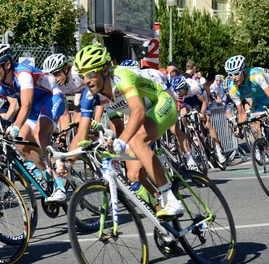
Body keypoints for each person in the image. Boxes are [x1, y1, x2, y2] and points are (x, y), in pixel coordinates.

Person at [71, 45, 185, 218]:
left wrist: (121, 141)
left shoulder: (121, 76)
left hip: (161, 103)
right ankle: (165, 223)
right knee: (133, 174)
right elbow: (81, 133)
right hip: (144, 115)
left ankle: (171, 199)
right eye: (82, 76)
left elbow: (138, 111)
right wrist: (67, 161)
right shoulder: (91, 94)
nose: (86, 80)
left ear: (104, 70)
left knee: (137, 141)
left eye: (91, 74)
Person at [0, 44, 67, 202]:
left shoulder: (23, 73)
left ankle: (59, 186)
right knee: (19, 143)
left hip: (51, 96)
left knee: (40, 135)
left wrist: (16, 126)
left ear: (7, 64)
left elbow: (25, 105)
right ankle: (46, 173)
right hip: (34, 106)